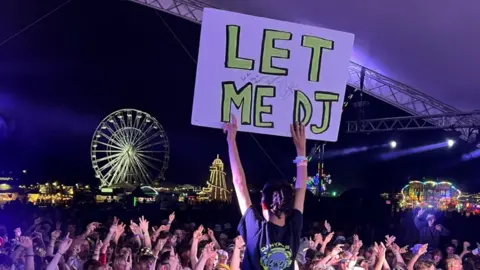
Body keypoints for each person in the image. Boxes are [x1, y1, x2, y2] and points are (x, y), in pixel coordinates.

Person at [224, 116, 307, 270]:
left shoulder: (256, 229)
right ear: (289, 207)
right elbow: (301, 188)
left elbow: (239, 182)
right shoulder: (293, 229)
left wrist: (231, 139)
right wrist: (301, 149)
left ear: (263, 204)